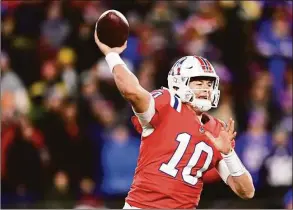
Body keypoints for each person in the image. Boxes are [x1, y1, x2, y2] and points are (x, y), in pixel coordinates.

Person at [94, 25, 255, 209]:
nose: (205, 89)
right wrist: (112, 55)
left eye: (209, 84)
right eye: (198, 82)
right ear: (179, 84)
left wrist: (229, 154)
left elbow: (246, 191)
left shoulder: (217, 130)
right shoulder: (167, 103)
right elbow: (132, 92)